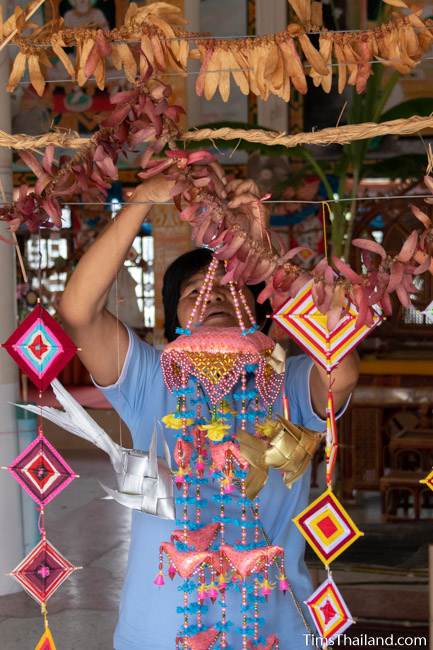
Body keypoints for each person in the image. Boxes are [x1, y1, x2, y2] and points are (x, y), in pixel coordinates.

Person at [58, 174, 359, 649]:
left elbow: (343, 366)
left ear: (260, 308)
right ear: (175, 318)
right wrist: (141, 202)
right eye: (195, 289)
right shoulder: (151, 376)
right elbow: (78, 311)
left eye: (230, 286)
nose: (214, 294)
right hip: (161, 630)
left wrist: (267, 263)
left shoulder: (291, 380)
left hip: (277, 628)